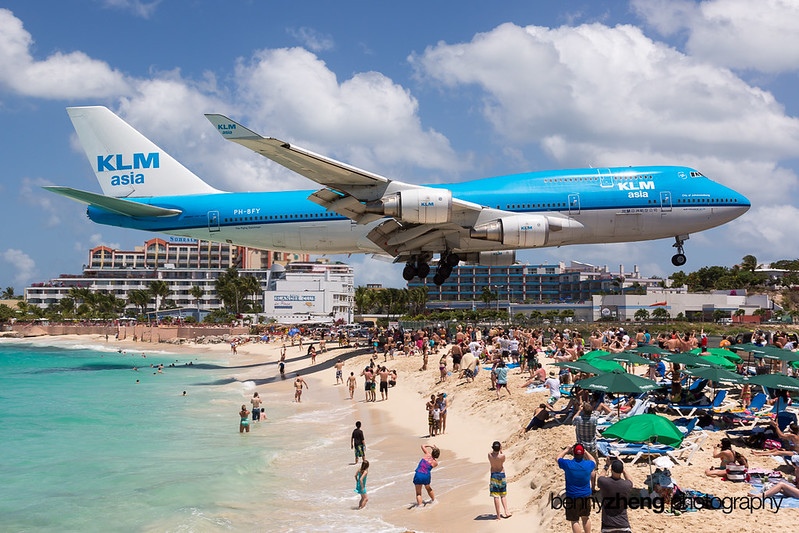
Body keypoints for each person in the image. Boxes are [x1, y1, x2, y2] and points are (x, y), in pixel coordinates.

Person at [557, 444, 596, 533]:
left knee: (574, 520)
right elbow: (593, 461)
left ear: (573, 454)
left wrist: (567, 450)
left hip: (572, 496)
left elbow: (558, 458)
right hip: (585, 495)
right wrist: (586, 452)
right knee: (585, 517)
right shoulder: (588, 465)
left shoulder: (568, 464)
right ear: (582, 454)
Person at [597, 458, 633, 533]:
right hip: (623, 525)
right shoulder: (626, 485)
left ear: (611, 470)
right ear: (621, 471)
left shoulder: (604, 482)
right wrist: (623, 469)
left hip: (608, 525)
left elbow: (600, 477)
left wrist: (606, 465)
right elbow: (630, 480)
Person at [488, 441, 512, 519]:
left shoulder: (489, 455)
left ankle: (498, 515)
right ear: (500, 448)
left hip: (494, 475)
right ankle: (506, 511)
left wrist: (496, 449)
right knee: (503, 495)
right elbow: (502, 460)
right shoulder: (502, 456)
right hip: (501, 474)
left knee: (496, 496)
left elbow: (492, 453)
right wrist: (501, 450)